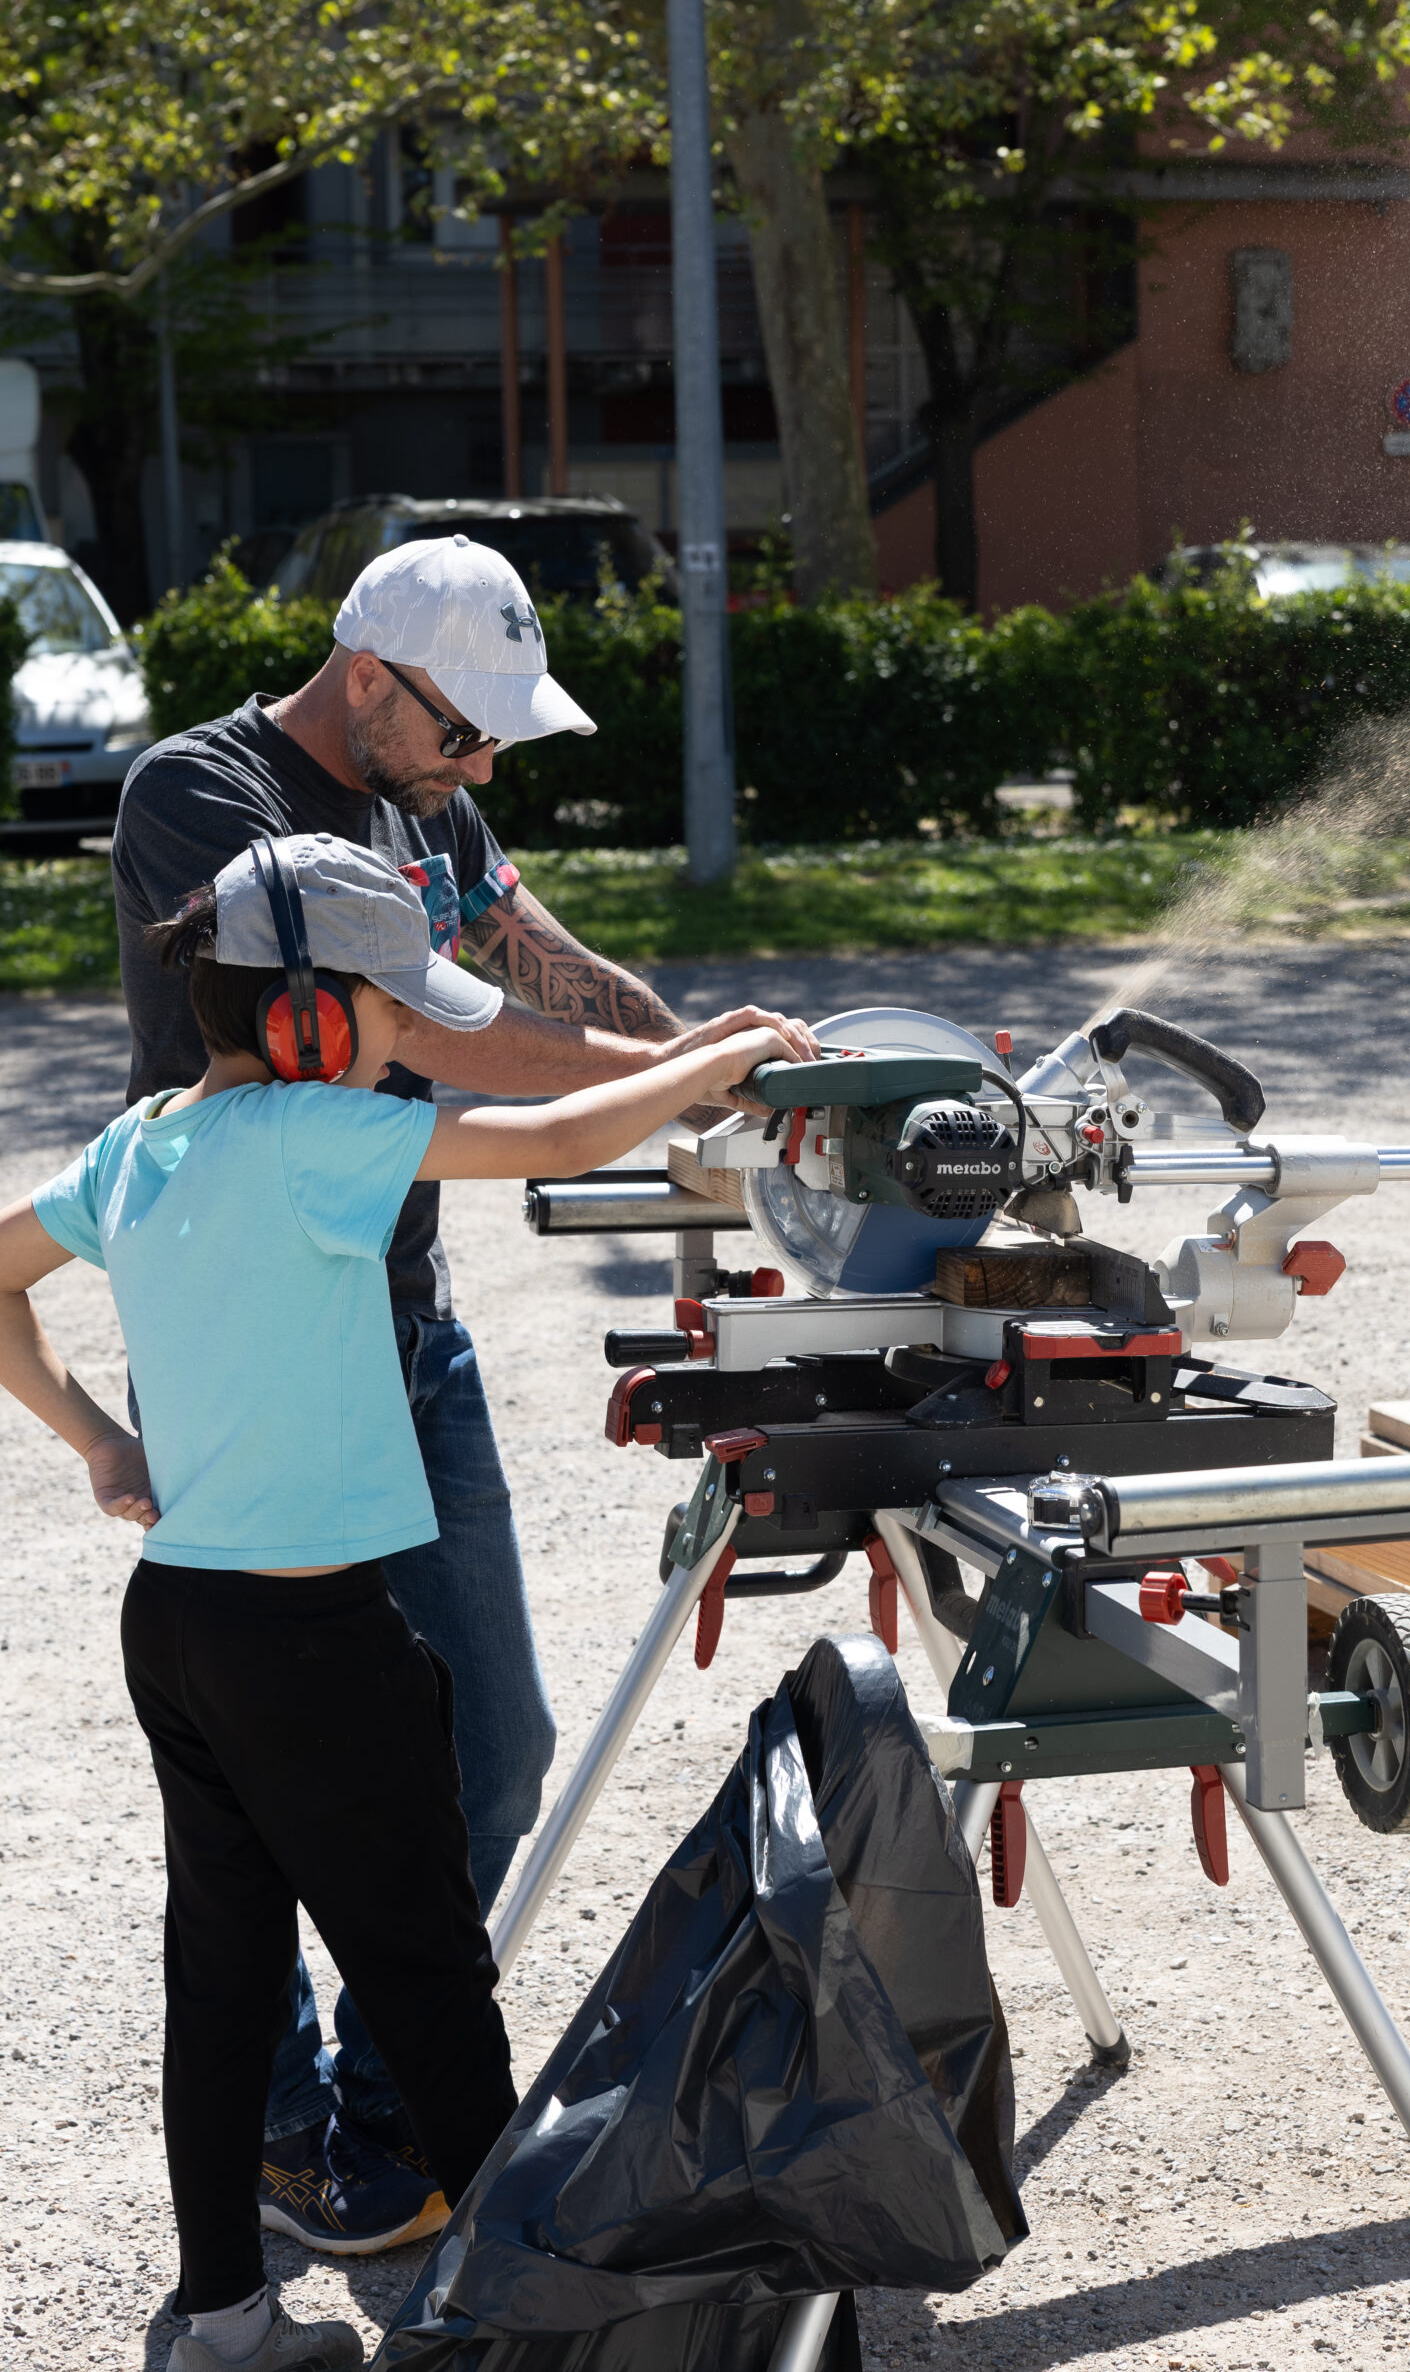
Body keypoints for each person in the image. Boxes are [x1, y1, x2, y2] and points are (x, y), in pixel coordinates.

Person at [0, 832, 797, 2372]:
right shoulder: (317, 1130)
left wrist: (100, 1442)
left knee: (224, 1980)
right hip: (313, 1646)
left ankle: (224, 2322)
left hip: (180, 1627)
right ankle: (525, 2330)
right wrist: (720, 1057)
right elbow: (561, 1137)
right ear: (306, 1015)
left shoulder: (142, 1140)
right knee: (430, 1981)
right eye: (390, 1008)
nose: (407, 1038)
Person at [111, 533, 815, 2249]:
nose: (485, 766)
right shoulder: (200, 802)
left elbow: (531, 956)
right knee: (258, 1782)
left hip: (408, 1326)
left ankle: (379, 2113)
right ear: (368, 679)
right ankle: (287, 2130)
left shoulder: (424, 797)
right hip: (255, 1341)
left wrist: (719, 1070)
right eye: (464, 731)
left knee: (496, 1747)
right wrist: (675, 1081)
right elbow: (451, 1038)